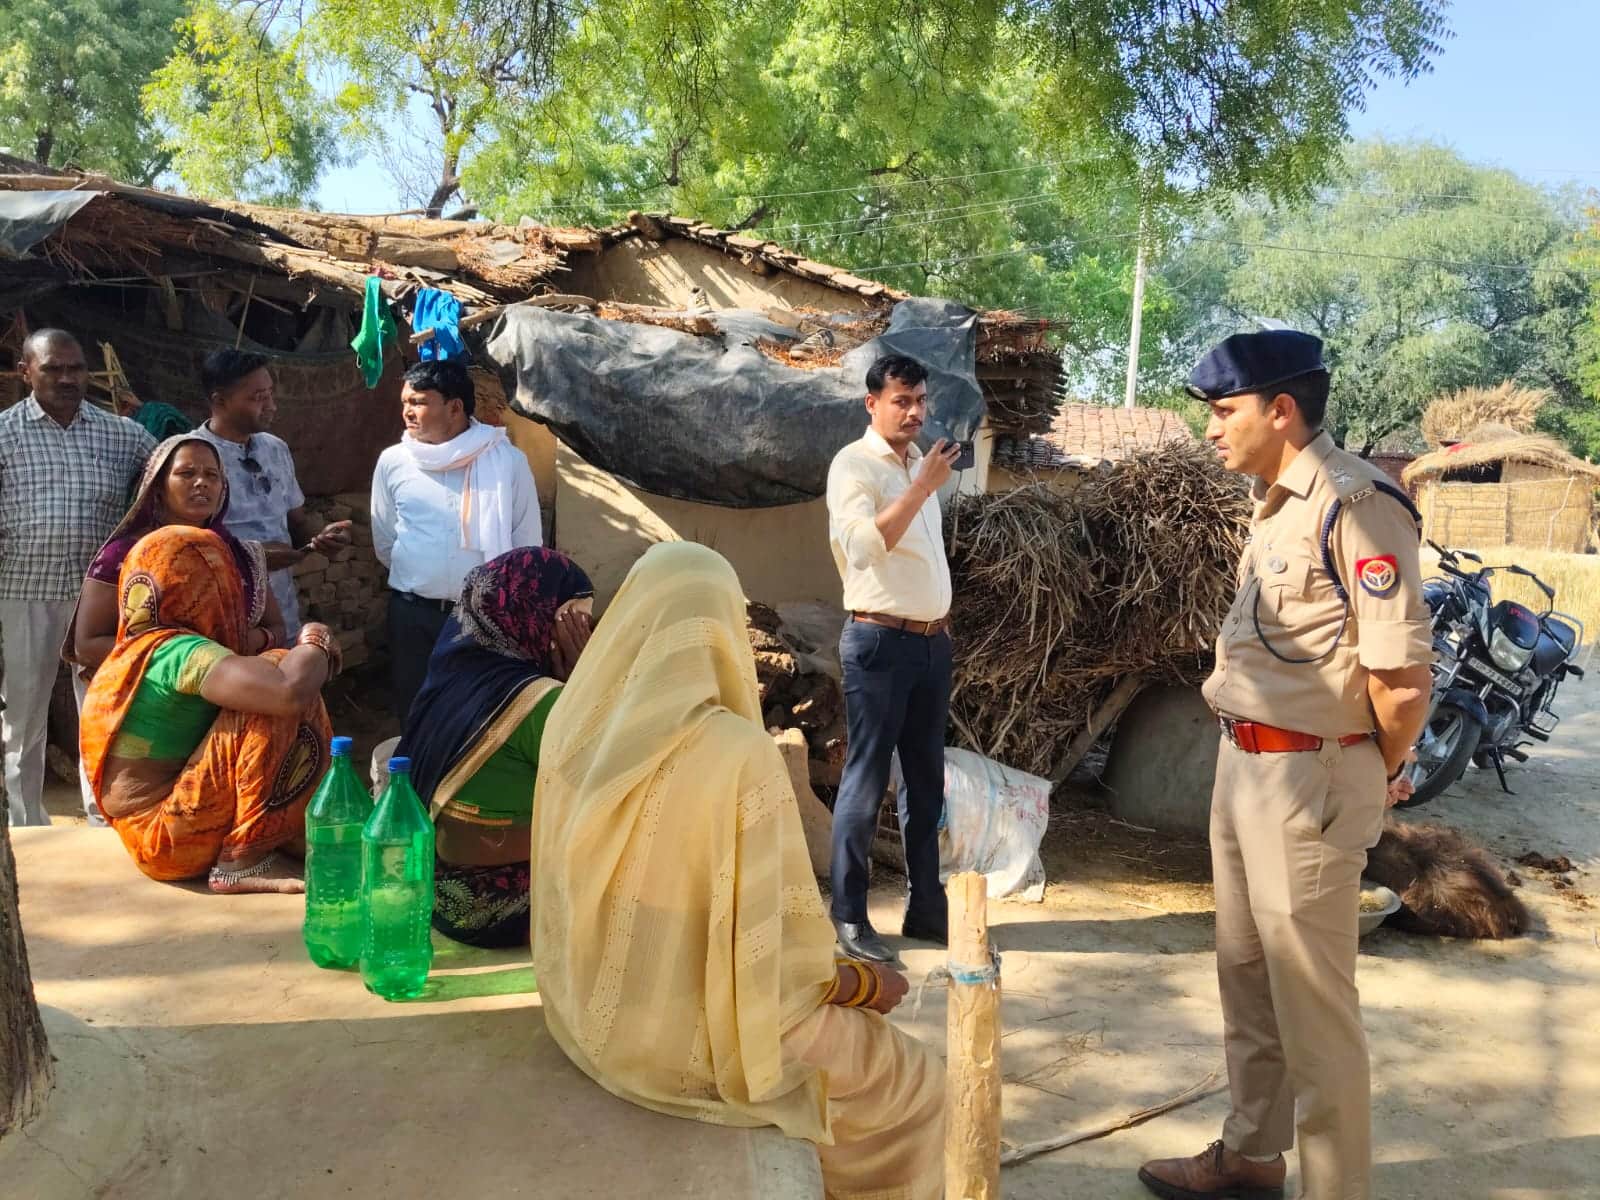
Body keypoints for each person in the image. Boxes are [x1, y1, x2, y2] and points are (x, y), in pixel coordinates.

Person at [531, 542, 944, 1200]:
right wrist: (865, 984)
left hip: (593, 1013)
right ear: (724, 631)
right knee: (922, 1085)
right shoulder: (737, 756)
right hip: (689, 1037)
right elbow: (775, 981)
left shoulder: (574, 726)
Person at [1138, 330, 1432, 1200]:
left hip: (1310, 778)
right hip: (1247, 771)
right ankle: (1251, 1156)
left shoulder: (1356, 504)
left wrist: (1370, 768)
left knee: (1314, 1012)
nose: (1211, 429)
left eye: (1224, 411)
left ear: (1281, 410)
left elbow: (1402, 683)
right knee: (1249, 982)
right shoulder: (1277, 504)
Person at [79, 526, 339, 894]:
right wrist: (316, 640)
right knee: (279, 677)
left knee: (264, 679)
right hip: (169, 837)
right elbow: (287, 692)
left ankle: (284, 830)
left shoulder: (138, 647)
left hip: (147, 832)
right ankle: (241, 862)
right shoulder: (178, 652)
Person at [823, 353, 962, 963]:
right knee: (866, 778)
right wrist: (921, 487)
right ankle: (850, 916)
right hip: (879, 643)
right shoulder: (854, 465)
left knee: (926, 782)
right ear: (872, 403)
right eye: (901, 400)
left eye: (920, 400)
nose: (914, 412)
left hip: (932, 644)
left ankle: (925, 908)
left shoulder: (917, 465)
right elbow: (863, 549)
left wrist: (920, 482)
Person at [396, 547, 595, 948]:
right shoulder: (541, 700)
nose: (591, 635)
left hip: (428, 887)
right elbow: (612, 777)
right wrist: (586, 680)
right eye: (579, 620)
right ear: (541, 617)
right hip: (492, 906)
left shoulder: (454, 673)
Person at [0, 329, 155, 827]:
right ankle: (26, 823)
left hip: (100, 599)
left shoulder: (122, 434)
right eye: (52, 369)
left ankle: (102, 817)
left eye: (76, 368)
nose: (67, 378)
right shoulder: (4, 434)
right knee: (23, 714)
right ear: (26, 372)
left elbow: (168, 472)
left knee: (102, 708)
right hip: (23, 591)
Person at [371, 360, 541, 722]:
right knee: (415, 714)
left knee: (476, 715)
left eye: (418, 402)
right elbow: (385, 539)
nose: (407, 412)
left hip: (482, 619)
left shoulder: (507, 462)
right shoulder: (393, 462)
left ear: (454, 407)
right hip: (413, 616)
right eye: (405, 403)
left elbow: (527, 547)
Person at [67, 434, 286, 674]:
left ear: (222, 488)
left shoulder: (243, 556)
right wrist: (190, 659)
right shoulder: (123, 555)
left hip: (235, 686)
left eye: (212, 475)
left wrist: (242, 643)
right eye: (186, 473)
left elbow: (276, 627)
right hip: (152, 690)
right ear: (158, 486)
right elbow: (87, 646)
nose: (201, 482)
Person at [191, 349, 352, 639]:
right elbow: (185, 545)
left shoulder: (274, 448)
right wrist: (253, 559)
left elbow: (297, 523)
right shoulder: (192, 457)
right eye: (258, 398)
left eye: (270, 395)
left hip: (282, 610)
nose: (272, 406)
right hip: (223, 615)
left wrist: (322, 538)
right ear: (220, 401)